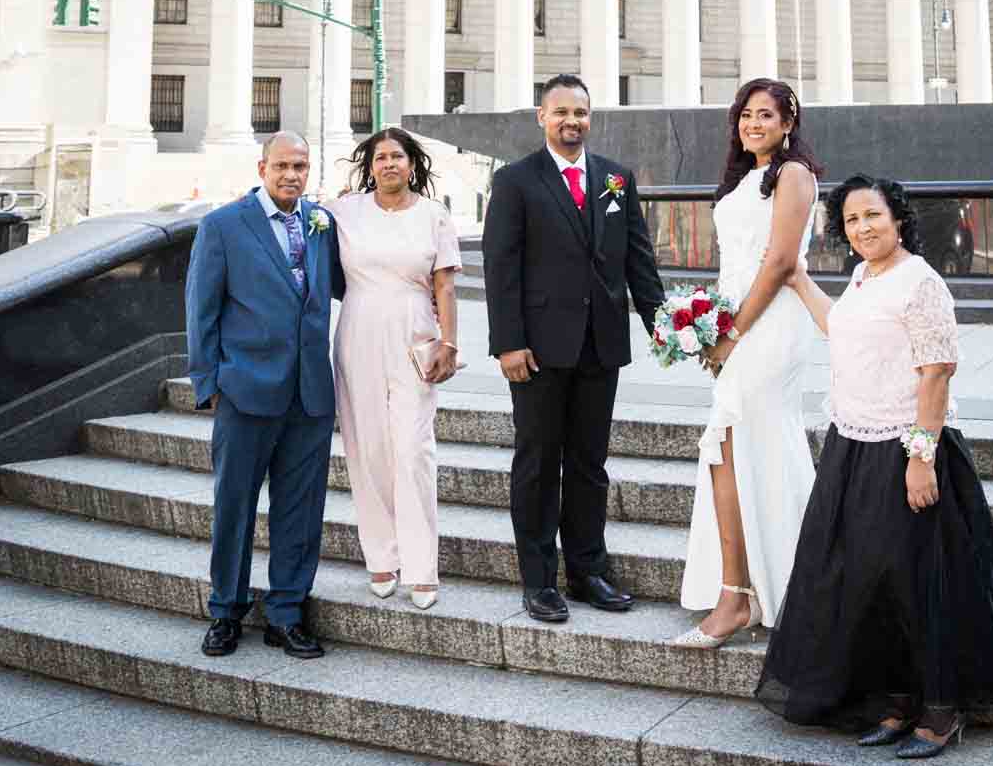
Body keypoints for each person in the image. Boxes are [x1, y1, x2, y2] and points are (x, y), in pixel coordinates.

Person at [756, 174, 993, 755]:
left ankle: (940, 711)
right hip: (854, 443)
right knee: (871, 578)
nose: (862, 228)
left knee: (915, 580)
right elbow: (842, 329)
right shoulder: (862, 277)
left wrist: (921, 458)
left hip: (907, 447)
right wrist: (799, 278)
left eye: (872, 216)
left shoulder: (922, 282)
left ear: (899, 218)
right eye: (851, 220)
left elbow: (937, 371)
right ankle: (897, 700)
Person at [482, 72, 664, 623]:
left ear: (591, 117)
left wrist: (665, 327)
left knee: (590, 464)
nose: (571, 121)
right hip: (537, 352)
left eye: (580, 113)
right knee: (537, 464)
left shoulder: (616, 179)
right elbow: (500, 267)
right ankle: (539, 580)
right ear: (542, 117)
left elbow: (639, 260)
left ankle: (588, 571)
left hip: (600, 347)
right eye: (560, 112)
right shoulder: (515, 181)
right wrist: (508, 343)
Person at [184, 131, 344, 661]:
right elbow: (201, 310)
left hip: (310, 395)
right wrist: (209, 383)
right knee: (235, 505)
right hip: (245, 390)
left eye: (300, 166)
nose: (292, 175)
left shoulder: (321, 225)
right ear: (262, 167)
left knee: (301, 510)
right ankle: (226, 611)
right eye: (282, 166)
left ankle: (286, 614)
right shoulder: (223, 226)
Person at [675, 79, 818, 645]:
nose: (753, 123)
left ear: (788, 122)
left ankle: (741, 594)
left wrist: (731, 333)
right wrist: (705, 322)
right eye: (745, 115)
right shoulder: (744, 181)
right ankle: (765, 582)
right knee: (740, 446)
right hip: (736, 322)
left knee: (731, 441)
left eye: (766, 115)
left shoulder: (794, 175)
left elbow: (782, 259)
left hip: (771, 325)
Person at [329, 126, 461, 610]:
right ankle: (381, 556)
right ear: (370, 165)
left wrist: (449, 342)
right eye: (380, 157)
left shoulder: (433, 215)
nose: (389, 164)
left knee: (412, 450)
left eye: (397, 157)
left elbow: (444, 286)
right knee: (368, 450)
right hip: (358, 331)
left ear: (411, 164)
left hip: (416, 333)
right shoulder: (344, 212)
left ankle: (423, 567)